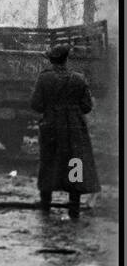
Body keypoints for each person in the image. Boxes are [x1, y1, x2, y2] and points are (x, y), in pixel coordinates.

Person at [31, 43, 99, 219]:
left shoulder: (44, 79)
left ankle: (45, 206)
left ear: (51, 61)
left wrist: (51, 108)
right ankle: (73, 209)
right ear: (66, 59)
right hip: (74, 127)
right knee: (75, 162)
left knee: (49, 162)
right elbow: (86, 106)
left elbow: (36, 104)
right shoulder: (79, 79)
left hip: (51, 126)